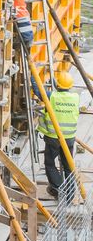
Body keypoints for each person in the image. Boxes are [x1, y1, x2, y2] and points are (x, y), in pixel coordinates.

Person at [38, 67, 82, 198]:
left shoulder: (51, 96)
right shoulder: (75, 97)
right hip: (69, 138)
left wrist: (33, 77)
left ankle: (59, 189)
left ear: (57, 85)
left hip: (53, 138)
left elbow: (37, 90)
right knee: (68, 167)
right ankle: (69, 195)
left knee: (50, 164)